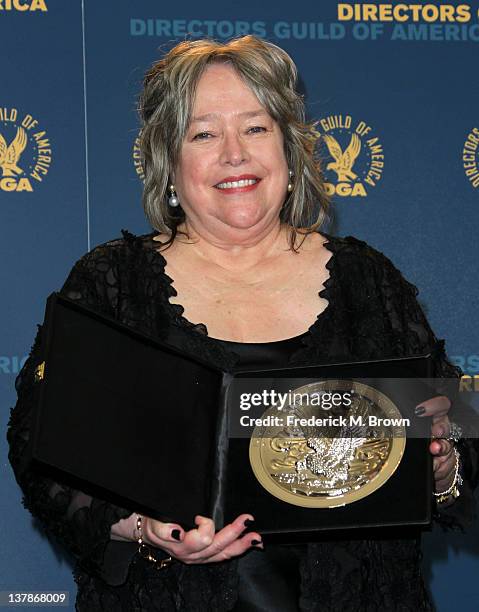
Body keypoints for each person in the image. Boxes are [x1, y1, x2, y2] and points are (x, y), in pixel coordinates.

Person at [7, 35, 478, 611]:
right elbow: (40, 449)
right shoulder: (113, 283)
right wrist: (141, 527)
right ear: (169, 162)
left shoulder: (368, 279)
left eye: (255, 128)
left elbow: (452, 421)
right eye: (204, 133)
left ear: (289, 146)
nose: (235, 154)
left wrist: (444, 462)